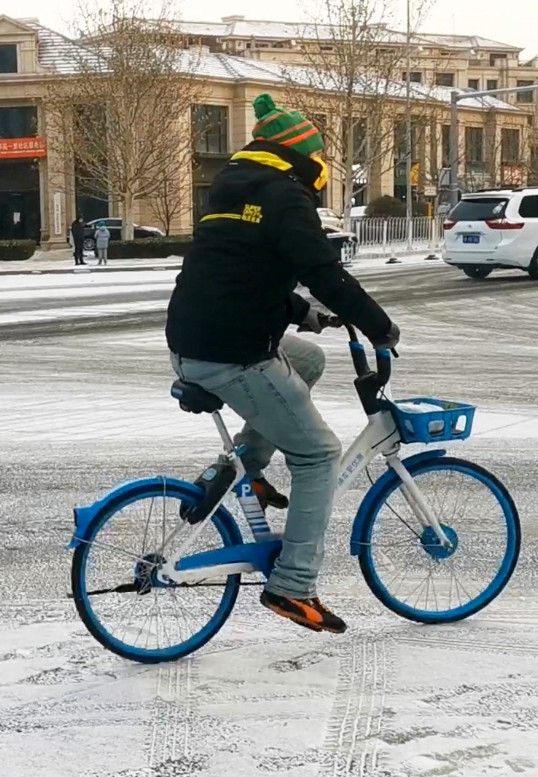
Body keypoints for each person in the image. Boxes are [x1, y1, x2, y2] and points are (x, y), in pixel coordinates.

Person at [165, 93, 400, 634]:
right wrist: (377, 324)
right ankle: (293, 586)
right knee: (319, 455)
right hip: (233, 353)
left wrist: (304, 316)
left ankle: (236, 468)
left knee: (308, 360)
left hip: (193, 339)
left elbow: (242, 272)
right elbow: (323, 270)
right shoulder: (285, 197)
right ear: (305, 158)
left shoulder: (232, 186)